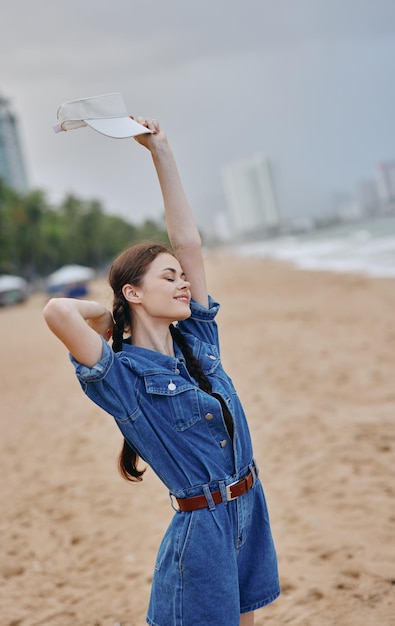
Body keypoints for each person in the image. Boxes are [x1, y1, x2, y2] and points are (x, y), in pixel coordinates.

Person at [43, 117, 280, 626]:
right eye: (167, 277)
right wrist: (111, 318)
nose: (182, 284)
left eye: (182, 277)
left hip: (247, 507)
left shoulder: (198, 339)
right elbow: (58, 313)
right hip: (202, 531)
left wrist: (160, 152)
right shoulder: (122, 377)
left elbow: (188, 243)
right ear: (133, 292)